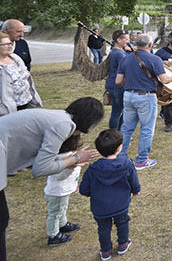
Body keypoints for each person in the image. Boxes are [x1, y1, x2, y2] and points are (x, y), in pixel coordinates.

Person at [0, 98, 103, 261]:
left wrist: (67, 161)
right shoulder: (63, 125)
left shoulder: (59, 117)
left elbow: (41, 160)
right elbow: (40, 169)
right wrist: (75, 158)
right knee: (1, 219)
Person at [116, 34, 172, 170]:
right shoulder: (155, 59)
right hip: (146, 96)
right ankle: (142, 160)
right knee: (147, 129)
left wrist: (132, 82)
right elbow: (163, 79)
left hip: (128, 95)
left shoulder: (126, 59)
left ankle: (120, 157)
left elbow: (118, 81)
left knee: (127, 128)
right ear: (150, 45)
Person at [80, 129, 139, 260]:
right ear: (119, 148)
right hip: (121, 204)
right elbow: (133, 180)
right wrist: (136, 190)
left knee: (103, 228)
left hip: (100, 207)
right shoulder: (126, 164)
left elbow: (84, 189)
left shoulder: (93, 169)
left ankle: (106, 251)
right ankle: (123, 243)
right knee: (123, 222)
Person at [43, 134, 82, 247]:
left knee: (62, 208)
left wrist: (75, 183)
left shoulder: (71, 155)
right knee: (55, 213)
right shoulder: (59, 159)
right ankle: (53, 235)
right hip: (57, 192)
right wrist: (71, 167)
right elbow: (59, 177)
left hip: (64, 191)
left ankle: (62, 224)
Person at [0, 31, 42, 115]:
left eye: (10, 43)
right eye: (5, 44)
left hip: (25, 103)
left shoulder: (15, 58)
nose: (9, 46)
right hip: (7, 108)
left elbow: (27, 78)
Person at [106, 30, 129, 130]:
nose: (128, 41)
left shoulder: (116, 52)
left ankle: (118, 132)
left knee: (120, 110)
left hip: (114, 84)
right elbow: (126, 69)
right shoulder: (119, 54)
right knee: (117, 111)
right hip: (117, 85)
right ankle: (113, 133)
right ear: (118, 40)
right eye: (126, 39)